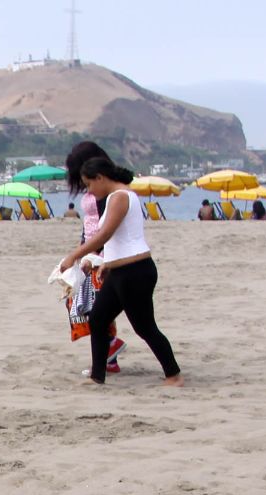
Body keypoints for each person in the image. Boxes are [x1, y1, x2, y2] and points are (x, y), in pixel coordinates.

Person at [60, 157, 182, 388]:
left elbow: (105, 234)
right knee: (98, 319)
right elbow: (121, 238)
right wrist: (107, 262)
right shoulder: (119, 196)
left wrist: (74, 255)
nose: (89, 190)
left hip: (135, 271)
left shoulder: (120, 197)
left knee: (145, 327)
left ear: (101, 178)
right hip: (119, 271)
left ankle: (174, 375)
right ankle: (98, 376)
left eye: (89, 184)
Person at [64, 140, 123, 373]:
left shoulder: (106, 191)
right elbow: (89, 225)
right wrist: (82, 249)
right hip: (90, 250)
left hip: (100, 254)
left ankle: (109, 348)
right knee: (91, 304)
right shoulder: (94, 188)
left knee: (92, 306)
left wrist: (95, 255)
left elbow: (106, 228)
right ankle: (109, 358)